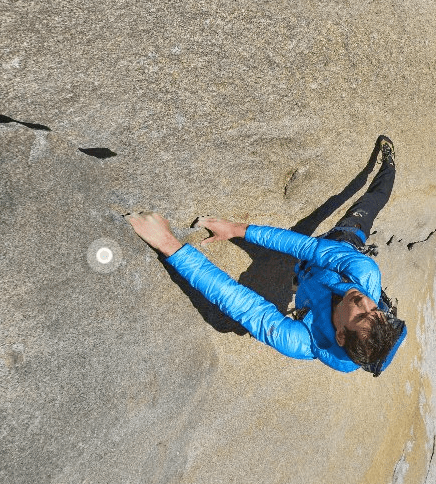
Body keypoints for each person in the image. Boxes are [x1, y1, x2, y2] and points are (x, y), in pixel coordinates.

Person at [127, 136, 407, 376]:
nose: (365, 300)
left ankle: (304, 278)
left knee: (301, 278)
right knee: (371, 203)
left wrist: (169, 245)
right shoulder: (364, 274)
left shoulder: (302, 342)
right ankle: (389, 166)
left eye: (362, 315)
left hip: (312, 280)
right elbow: (304, 247)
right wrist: (236, 229)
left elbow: (243, 305)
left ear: (341, 335)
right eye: (375, 310)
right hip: (342, 248)